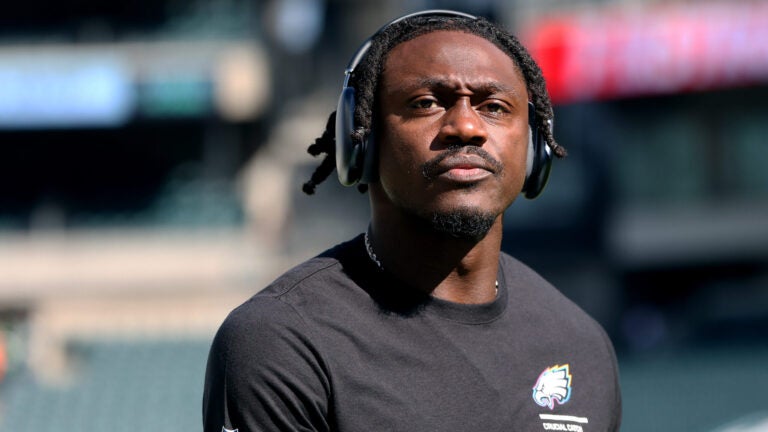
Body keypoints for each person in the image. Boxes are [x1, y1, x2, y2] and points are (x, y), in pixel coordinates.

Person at [203, 10, 621, 432]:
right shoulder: (283, 340)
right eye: (426, 103)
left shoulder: (580, 343)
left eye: (494, 107)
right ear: (361, 139)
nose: (466, 126)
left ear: (534, 149)